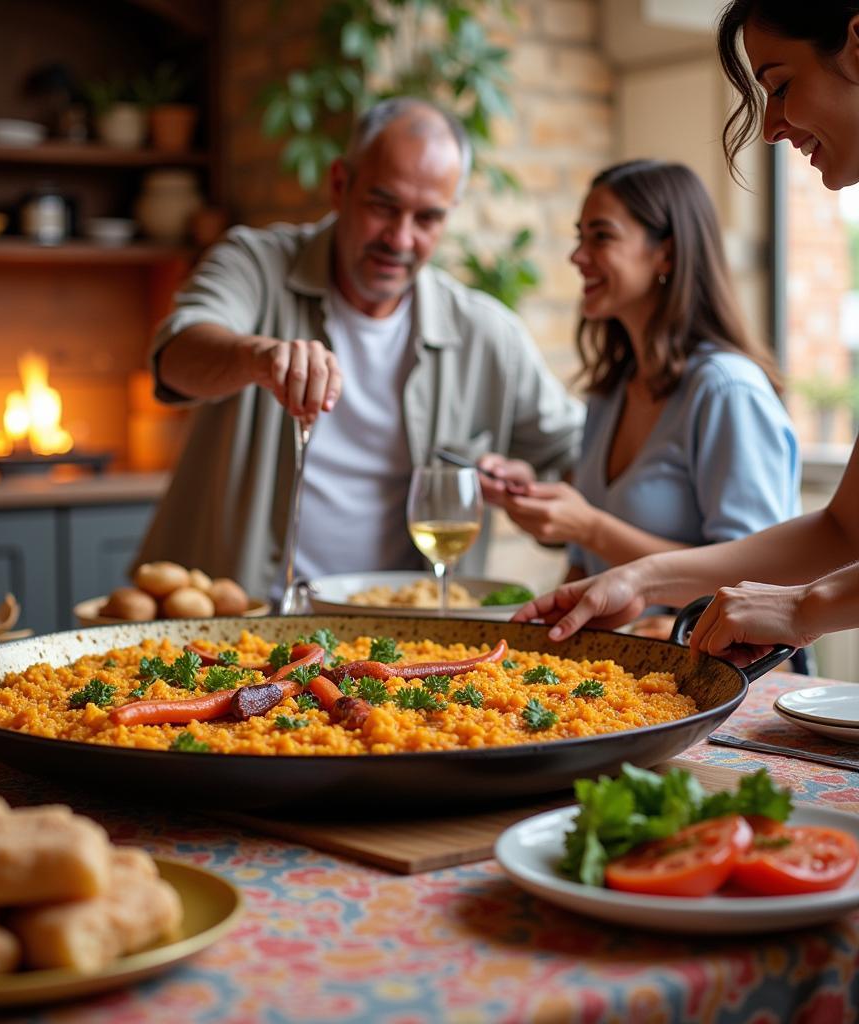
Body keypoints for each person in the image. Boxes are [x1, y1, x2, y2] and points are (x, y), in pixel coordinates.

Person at [513, 1, 859, 666]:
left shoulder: (723, 386)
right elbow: (845, 527)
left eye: (781, 85)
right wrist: (639, 578)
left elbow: (796, 576)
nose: (769, 126)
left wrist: (802, 609)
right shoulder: (611, 390)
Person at [137, 97, 584, 599]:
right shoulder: (256, 263)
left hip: (398, 646)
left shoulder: (486, 332)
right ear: (339, 184)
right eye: (382, 206)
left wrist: (529, 486)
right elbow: (176, 354)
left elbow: (578, 458)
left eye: (427, 219)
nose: (400, 238)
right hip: (233, 626)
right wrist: (257, 357)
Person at [480, 159, 799, 640]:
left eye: (600, 237)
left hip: (717, 675)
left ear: (665, 254)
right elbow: (585, 571)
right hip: (619, 671)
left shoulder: (725, 390)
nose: (577, 256)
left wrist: (589, 527)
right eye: (578, 236)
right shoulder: (610, 392)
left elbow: (764, 583)